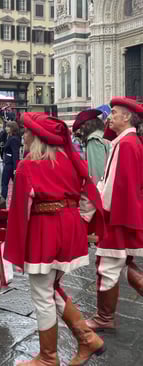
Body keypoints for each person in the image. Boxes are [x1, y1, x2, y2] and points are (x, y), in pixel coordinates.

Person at [4, 112, 106, 366]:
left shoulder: (28, 165)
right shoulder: (70, 160)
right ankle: (87, 339)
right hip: (70, 232)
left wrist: (17, 245)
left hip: (45, 233)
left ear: (36, 136)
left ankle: (48, 357)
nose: (24, 135)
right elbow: (89, 197)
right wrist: (77, 222)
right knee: (52, 288)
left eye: (27, 131)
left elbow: (20, 212)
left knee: (41, 295)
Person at [86, 97, 143, 333]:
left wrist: (99, 213)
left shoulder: (125, 144)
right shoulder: (129, 142)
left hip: (117, 217)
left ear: (127, 116)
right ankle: (104, 316)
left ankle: (104, 318)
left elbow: (114, 186)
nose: (109, 118)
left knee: (107, 265)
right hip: (125, 214)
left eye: (114, 113)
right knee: (125, 260)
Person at [73, 109, 110, 183]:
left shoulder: (93, 140)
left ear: (86, 126)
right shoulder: (103, 135)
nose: (81, 131)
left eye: (81, 127)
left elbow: (97, 171)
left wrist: (97, 191)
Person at [1, 121, 21, 200]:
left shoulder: (13, 139)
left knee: (4, 184)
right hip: (9, 164)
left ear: (12, 128)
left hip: (10, 165)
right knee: (15, 185)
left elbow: (15, 154)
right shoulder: (9, 137)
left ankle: (3, 201)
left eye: (7, 127)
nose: (6, 128)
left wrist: (15, 168)